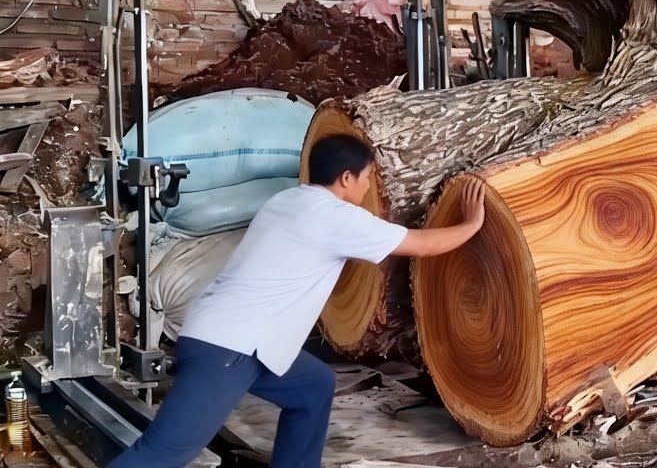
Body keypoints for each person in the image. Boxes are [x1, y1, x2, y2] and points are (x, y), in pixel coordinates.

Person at [108, 135, 486, 468]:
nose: (368, 185)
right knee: (166, 451)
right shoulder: (336, 217)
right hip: (228, 349)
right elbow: (420, 245)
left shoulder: (287, 200)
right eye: (367, 177)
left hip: (236, 341)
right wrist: (470, 224)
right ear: (346, 178)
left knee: (313, 387)